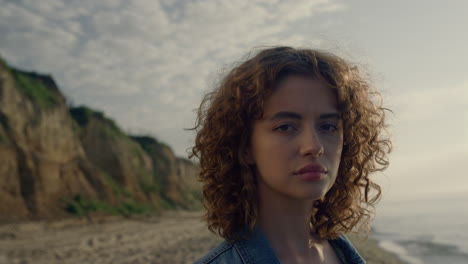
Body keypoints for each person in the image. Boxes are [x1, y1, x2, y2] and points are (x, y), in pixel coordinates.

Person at [191, 46, 391, 264]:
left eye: (328, 126)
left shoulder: (344, 255)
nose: (314, 146)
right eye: (285, 127)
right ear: (245, 146)